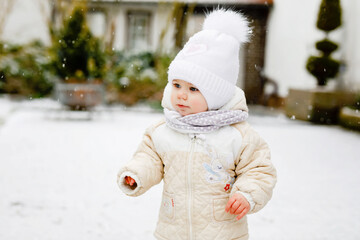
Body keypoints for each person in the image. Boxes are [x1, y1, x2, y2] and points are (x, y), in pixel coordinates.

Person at [117, 8, 277, 240]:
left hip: (223, 232)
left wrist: (247, 195)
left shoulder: (238, 135)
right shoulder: (162, 131)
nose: (181, 95)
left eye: (193, 89)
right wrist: (136, 173)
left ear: (217, 96)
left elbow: (259, 169)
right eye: (177, 85)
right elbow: (148, 158)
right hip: (173, 231)